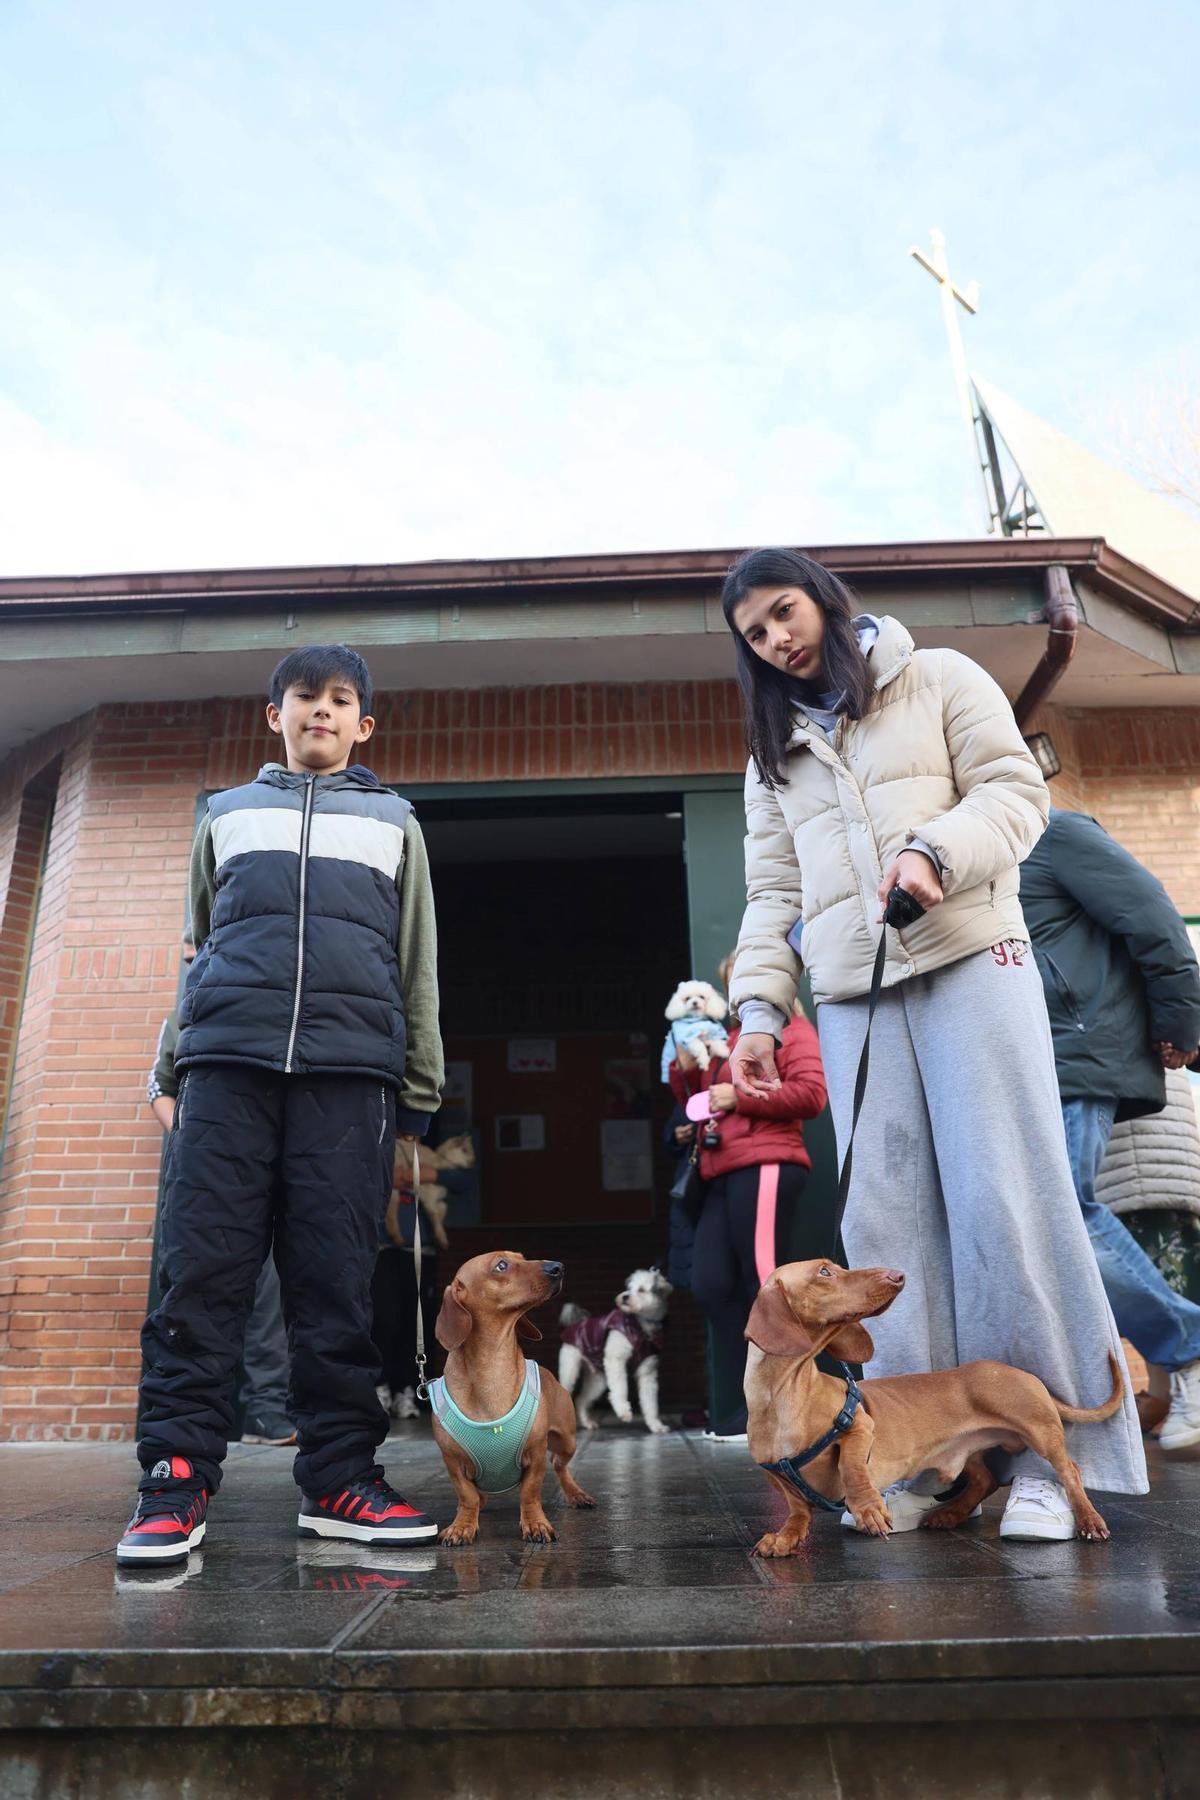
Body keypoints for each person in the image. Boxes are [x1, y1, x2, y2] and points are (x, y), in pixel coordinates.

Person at [723, 547, 1146, 1541]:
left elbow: (1014, 792)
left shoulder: (943, 676)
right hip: (856, 992)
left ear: (822, 600)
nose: (777, 639)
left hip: (970, 957)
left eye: (784, 612)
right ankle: (909, 1459)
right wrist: (754, 1015)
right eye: (755, 633)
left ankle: (1051, 1462)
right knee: (886, 1230)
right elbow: (773, 897)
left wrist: (933, 852)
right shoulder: (770, 750)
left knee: (1007, 1199)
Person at [118, 643, 445, 1565]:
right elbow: (199, 949)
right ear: (277, 713)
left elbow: (417, 963)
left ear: (363, 725)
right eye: (306, 696)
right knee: (200, 1278)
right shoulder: (225, 813)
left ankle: (340, 1481)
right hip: (226, 1067)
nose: (322, 712)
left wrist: (417, 1095)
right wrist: (166, 1071)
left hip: (350, 1080)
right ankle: (172, 1486)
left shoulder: (395, 823)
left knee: (333, 1285)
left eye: (341, 701)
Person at [1019, 809, 1200, 1455]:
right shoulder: (960, 848)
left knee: (1061, 1212)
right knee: (1039, 1228)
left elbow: (1153, 917)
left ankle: (1190, 1350)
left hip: (1076, 1053)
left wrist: (1181, 1022)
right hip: (1016, 1064)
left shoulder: (1052, 829)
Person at [147, 933, 296, 1448]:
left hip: (269, 1173)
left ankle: (267, 1414)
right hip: (206, 1175)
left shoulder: (271, 1006)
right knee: (203, 1292)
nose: (192, 956)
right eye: (187, 948)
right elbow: (158, 1087)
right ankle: (191, 1429)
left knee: (272, 1297)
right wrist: (192, 1139)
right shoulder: (185, 1011)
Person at [669, 997, 827, 1440]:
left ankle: (790, 1407)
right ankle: (762, 1404)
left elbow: (812, 1096)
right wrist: (683, 1070)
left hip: (768, 1164)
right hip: (720, 1169)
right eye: (736, 985)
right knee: (710, 1282)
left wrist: (737, 1096)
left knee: (765, 1286)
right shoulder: (728, 1038)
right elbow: (696, 1103)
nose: (742, 993)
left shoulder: (793, 1030)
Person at [1096, 1066, 1200, 1441]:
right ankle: (1163, 1397)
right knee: (1160, 1284)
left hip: (1139, 1155)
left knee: (1149, 1284)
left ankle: (1168, 1393)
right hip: (1153, 1155)